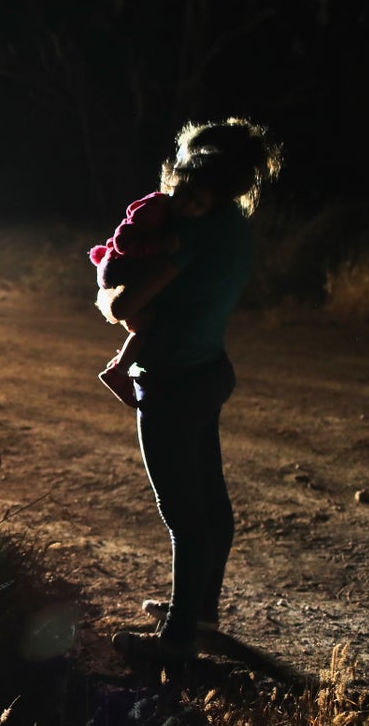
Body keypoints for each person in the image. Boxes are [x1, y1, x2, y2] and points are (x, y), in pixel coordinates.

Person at [98, 118, 283, 664]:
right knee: (211, 501)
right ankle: (198, 611)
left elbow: (123, 307)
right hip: (208, 369)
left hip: (172, 381)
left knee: (183, 513)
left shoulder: (188, 232)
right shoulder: (232, 222)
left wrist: (108, 293)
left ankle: (177, 641)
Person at [88, 179, 217, 406]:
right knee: (146, 325)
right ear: (176, 188)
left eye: (198, 205)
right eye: (187, 197)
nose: (189, 207)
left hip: (120, 264)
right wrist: (159, 245)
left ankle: (121, 363)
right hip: (117, 266)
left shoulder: (171, 215)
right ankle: (118, 371)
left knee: (146, 320)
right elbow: (122, 240)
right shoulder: (154, 208)